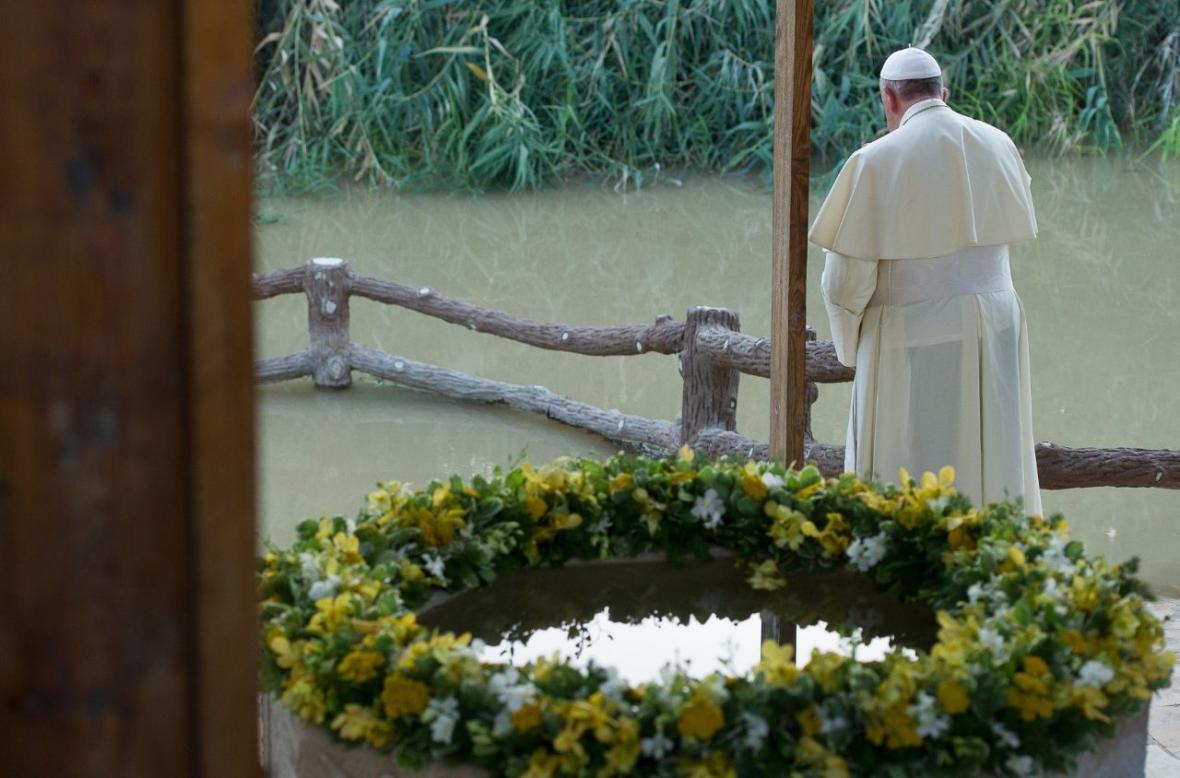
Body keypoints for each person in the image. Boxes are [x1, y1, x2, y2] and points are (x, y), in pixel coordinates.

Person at [808, 47, 1043, 514]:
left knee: (908, 458)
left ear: (888, 98)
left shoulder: (874, 160)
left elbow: (843, 282)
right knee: (990, 449)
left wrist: (851, 341)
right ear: (944, 93)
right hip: (995, 325)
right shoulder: (999, 143)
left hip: (909, 333)